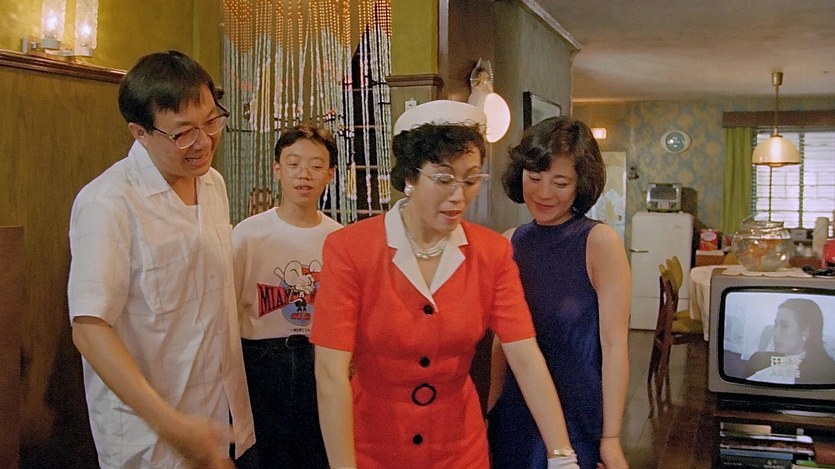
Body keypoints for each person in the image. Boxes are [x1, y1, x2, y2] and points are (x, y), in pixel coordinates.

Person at [309, 100, 579, 469]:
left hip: (460, 450)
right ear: (410, 176)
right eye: (444, 178)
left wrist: (561, 454)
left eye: (471, 180)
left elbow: (525, 356)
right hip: (372, 448)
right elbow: (330, 373)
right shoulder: (350, 249)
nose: (458, 195)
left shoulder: (491, 253)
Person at [67, 50, 255, 468]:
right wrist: (171, 424)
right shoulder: (108, 202)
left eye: (211, 121)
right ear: (140, 132)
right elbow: (89, 329)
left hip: (219, 416)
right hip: (150, 435)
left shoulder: (213, 184)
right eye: (183, 133)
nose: (203, 141)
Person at [487, 116, 631, 469]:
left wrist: (611, 438)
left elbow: (614, 346)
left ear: (581, 183)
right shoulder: (509, 242)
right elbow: (501, 343)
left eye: (560, 182)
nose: (544, 193)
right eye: (534, 177)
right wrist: (489, 411)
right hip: (516, 410)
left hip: (577, 413)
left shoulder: (599, 242)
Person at [232, 124, 342, 468]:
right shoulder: (247, 235)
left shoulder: (339, 240)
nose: (303, 174)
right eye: (293, 164)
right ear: (277, 169)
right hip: (260, 362)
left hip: (320, 359)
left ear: (330, 174)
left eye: (316, 166)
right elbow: (227, 309)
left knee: (317, 454)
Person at [746, 298, 835, 384]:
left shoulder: (825, 372)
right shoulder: (758, 359)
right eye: (776, 325)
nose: (775, 334)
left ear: (805, 331)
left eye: (784, 326)